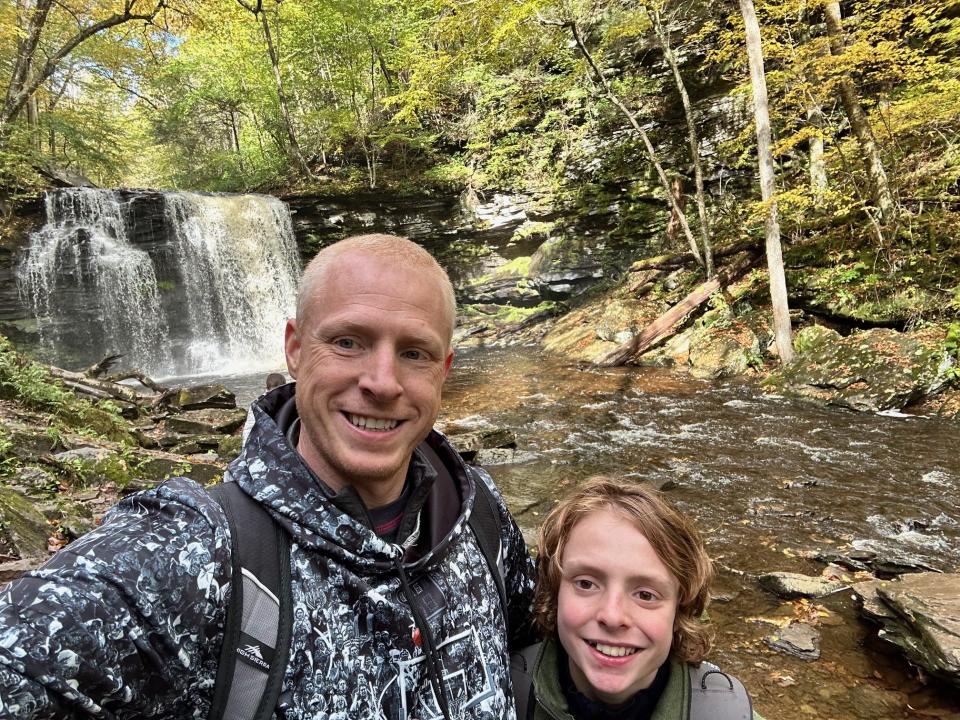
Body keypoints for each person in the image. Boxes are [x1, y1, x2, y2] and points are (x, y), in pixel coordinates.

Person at [0, 234, 536, 719]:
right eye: (348, 342)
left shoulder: (478, 512)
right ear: (296, 350)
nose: (381, 382)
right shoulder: (196, 552)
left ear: (443, 370)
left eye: (414, 353)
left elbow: (548, 646)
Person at [512, 476, 762, 720]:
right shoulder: (507, 689)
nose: (612, 616)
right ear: (553, 593)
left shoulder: (724, 710)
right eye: (586, 584)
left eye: (645, 595)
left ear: (681, 610)